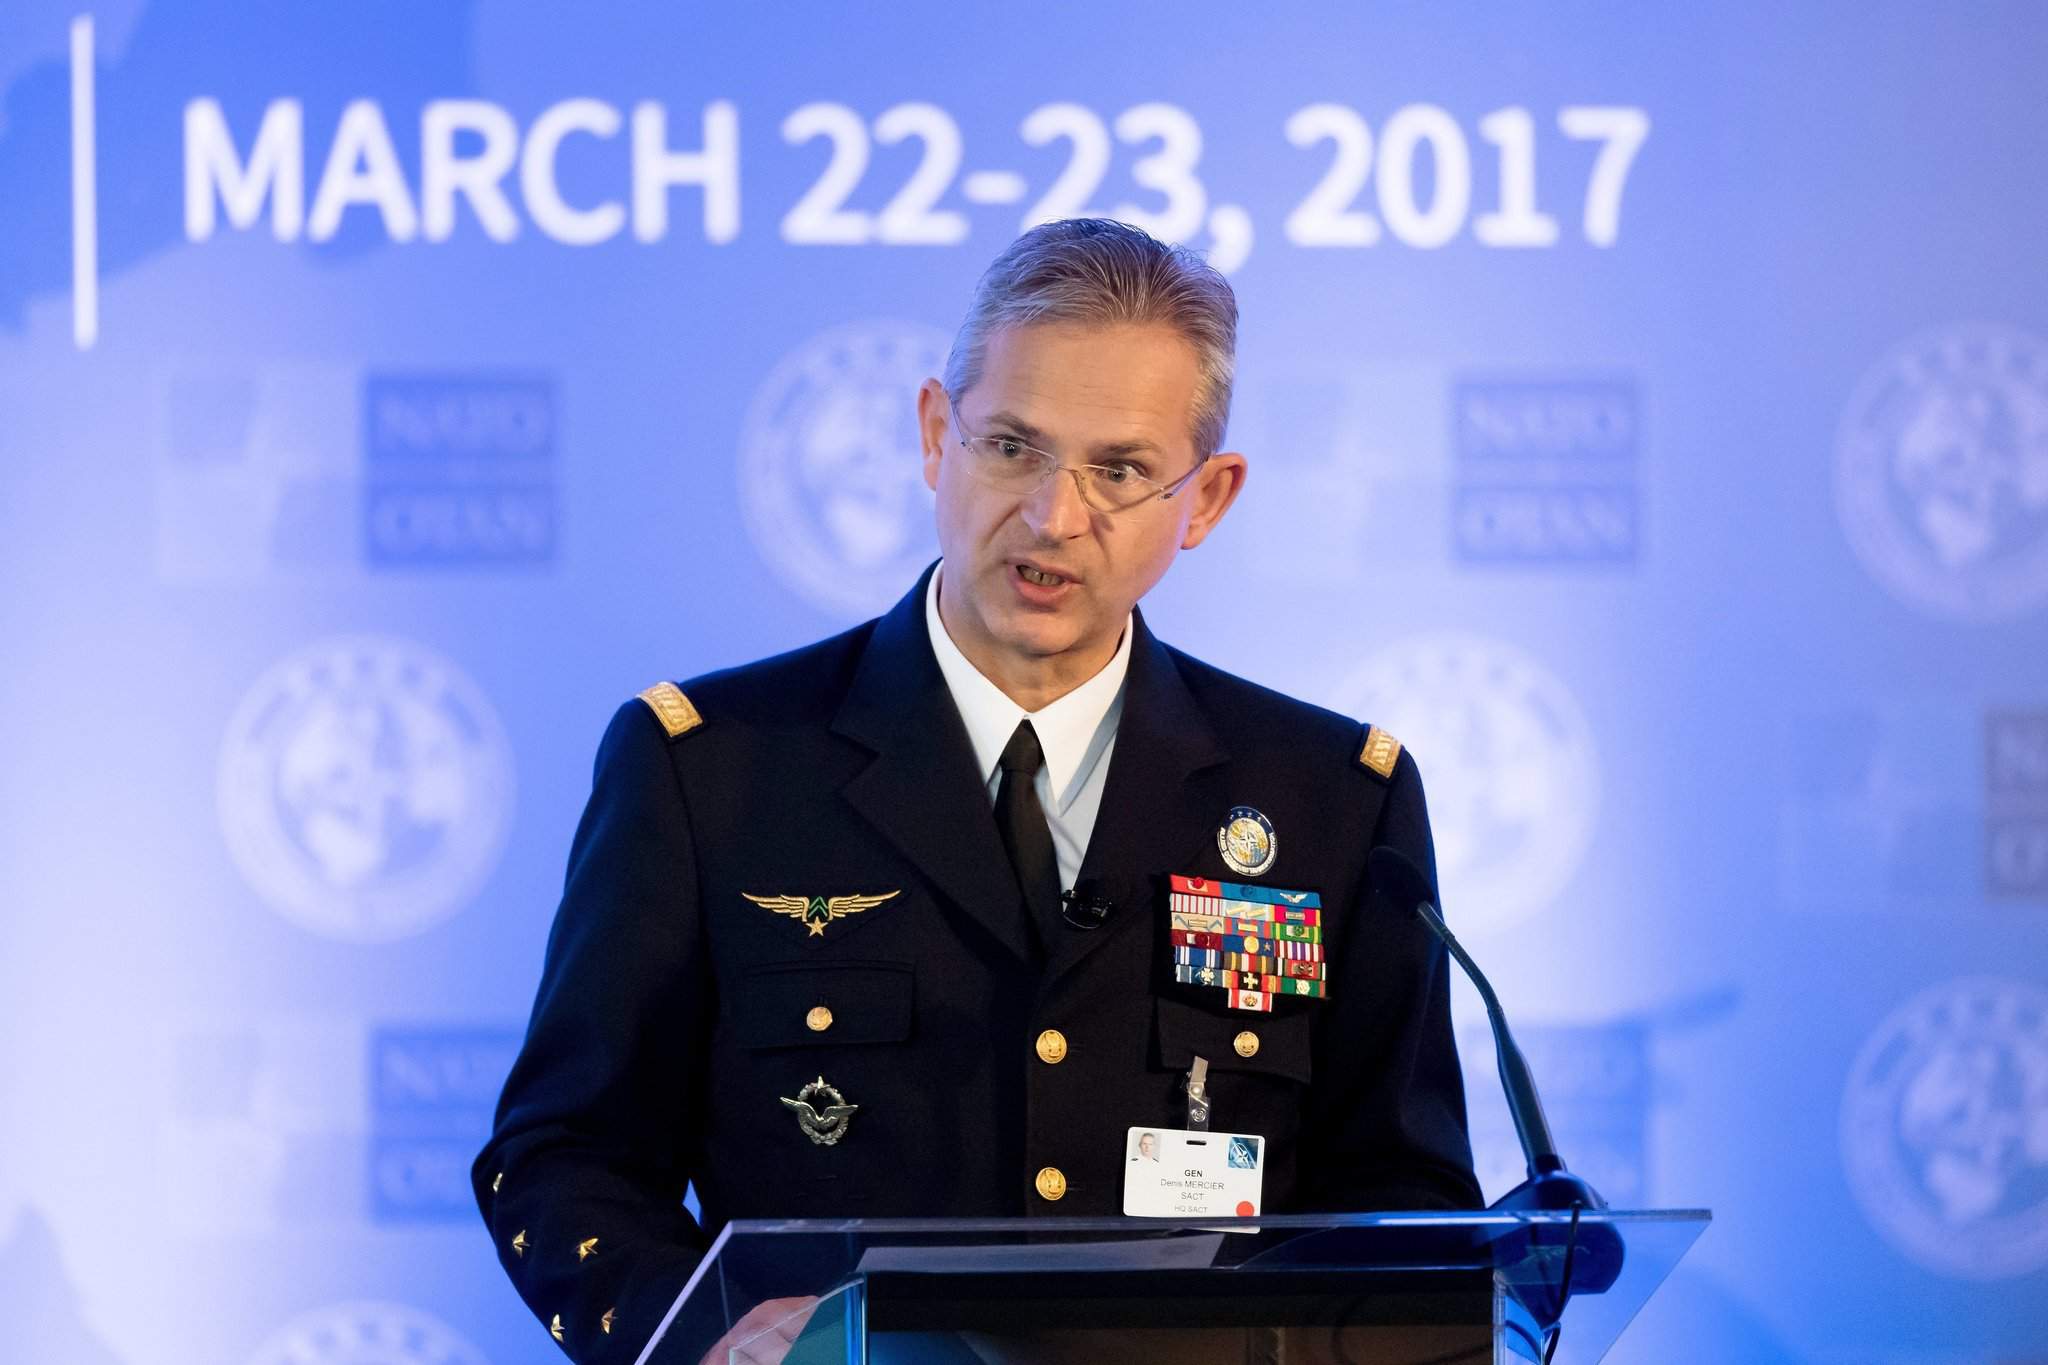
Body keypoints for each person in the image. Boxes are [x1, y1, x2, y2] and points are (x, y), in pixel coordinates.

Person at [474, 218, 1481, 1364]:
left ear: (1205, 500)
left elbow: (1402, 1203)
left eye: (1118, 471)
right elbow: (564, 1154)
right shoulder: (711, 772)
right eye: (1011, 447)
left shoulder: (1330, 804)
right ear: (931, 435)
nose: (1052, 517)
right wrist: (705, 1335)